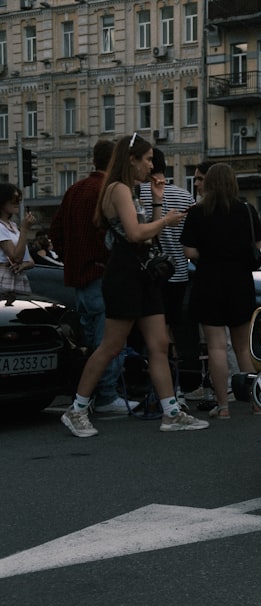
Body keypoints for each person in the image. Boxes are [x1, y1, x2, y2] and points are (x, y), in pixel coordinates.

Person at [61, 133, 208, 438]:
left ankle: (170, 413)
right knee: (111, 346)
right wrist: (165, 220)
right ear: (131, 160)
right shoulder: (116, 189)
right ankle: (76, 410)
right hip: (125, 273)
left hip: (142, 274)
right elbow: (134, 234)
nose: (151, 165)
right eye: (147, 159)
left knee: (159, 344)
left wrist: (156, 202)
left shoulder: (131, 190)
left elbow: (147, 235)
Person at [49, 139, 139, 415]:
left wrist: (70, 259)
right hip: (102, 273)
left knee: (92, 342)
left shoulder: (75, 190)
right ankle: (105, 396)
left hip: (79, 277)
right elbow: (116, 234)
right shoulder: (109, 192)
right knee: (108, 343)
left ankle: (89, 398)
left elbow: (56, 231)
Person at [181, 164, 261, 419]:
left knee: (216, 347)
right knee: (242, 347)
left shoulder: (197, 213)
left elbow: (189, 251)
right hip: (240, 283)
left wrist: (210, 255)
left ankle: (223, 406)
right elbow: (256, 247)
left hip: (209, 283)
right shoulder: (247, 211)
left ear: (210, 184)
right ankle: (256, 403)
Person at [138, 149, 199, 402]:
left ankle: (158, 388)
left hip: (151, 275)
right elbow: (193, 237)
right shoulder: (185, 196)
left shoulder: (139, 193)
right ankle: (179, 389)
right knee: (174, 333)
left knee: (152, 337)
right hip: (179, 274)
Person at [0, 184, 35, 294]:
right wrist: (24, 228)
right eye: (14, 199)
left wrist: (23, 266)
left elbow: (30, 261)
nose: (17, 203)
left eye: (19, 199)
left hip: (18, 277)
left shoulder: (13, 226)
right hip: (5, 277)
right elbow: (16, 258)